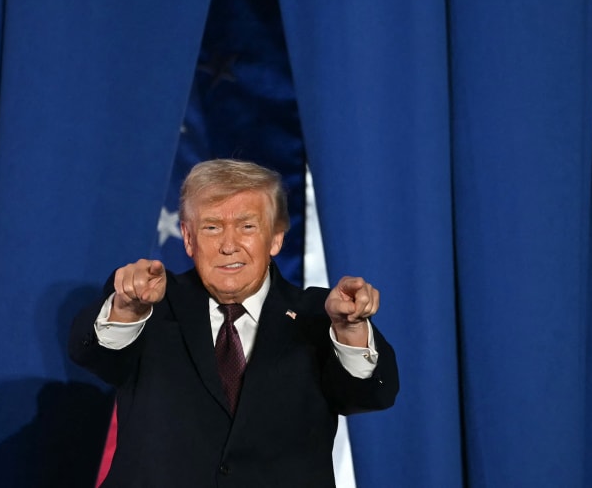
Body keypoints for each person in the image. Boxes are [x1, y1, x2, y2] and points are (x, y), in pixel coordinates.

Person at [69, 159, 398, 487]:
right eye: (211, 227)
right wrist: (126, 309)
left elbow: (369, 397)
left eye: (247, 226)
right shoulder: (151, 305)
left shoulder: (319, 316)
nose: (228, 245)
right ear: (187, 237)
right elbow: (96, 357)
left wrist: (350, 329)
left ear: (276, 238)